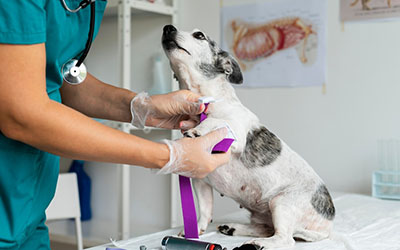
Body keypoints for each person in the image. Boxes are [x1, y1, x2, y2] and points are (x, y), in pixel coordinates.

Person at [0, 1, 230, 249]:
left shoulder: (91, 4)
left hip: (28, 215)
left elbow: (58, 77)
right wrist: (168, 155)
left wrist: (142, 108)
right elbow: (21, 113)